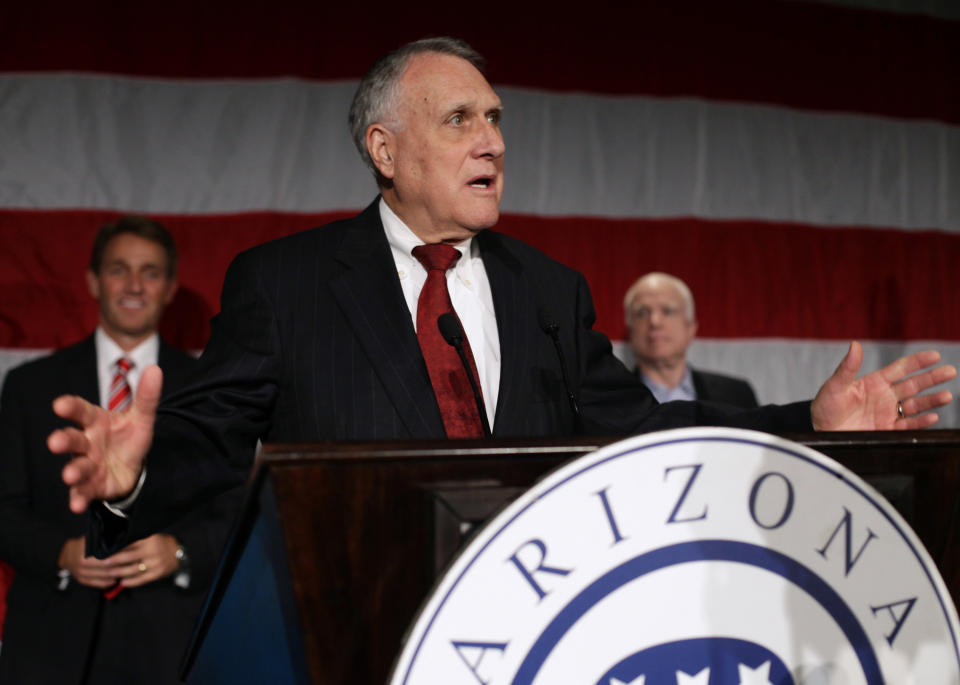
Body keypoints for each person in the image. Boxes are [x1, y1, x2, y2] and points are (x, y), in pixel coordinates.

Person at [49, 38, 954, 557]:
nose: (492, 141)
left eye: (495, 119)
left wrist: (812, 421)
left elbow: (642, 434)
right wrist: (137, 473)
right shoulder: (283, 283)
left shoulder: (547, 290)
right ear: (385, 149)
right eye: (459, 120)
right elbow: (212, 438)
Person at [0, 218, 237, 684]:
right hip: (49, 644)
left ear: (169, 288)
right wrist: (62, 553)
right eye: (118, 269)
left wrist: (181, 552)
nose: (134, 285)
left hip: (172, 642)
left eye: (150, 272)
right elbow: (3, 509)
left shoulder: (210, 390)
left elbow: (237, 510)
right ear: (93, 280)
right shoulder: (30, 387)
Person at [625, 272, 759, 408]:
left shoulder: (736, 395)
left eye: (667, 311)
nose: (655, 322)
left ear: (691, 328)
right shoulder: (609, 401)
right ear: (630, 329)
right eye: (642, 313)